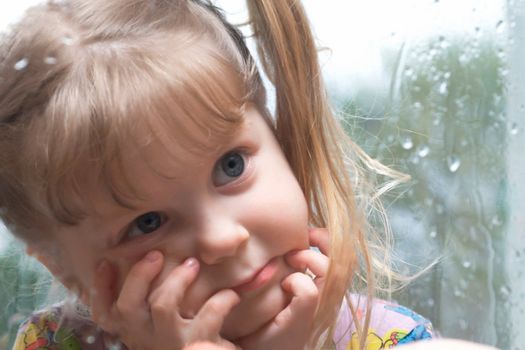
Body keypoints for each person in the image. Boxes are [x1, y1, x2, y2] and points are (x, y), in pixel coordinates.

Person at [0, 0, 433, 349]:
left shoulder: (390, 340)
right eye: (147, 223)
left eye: (232, 166)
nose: (223, 239)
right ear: (64, 271)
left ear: (275, 131)